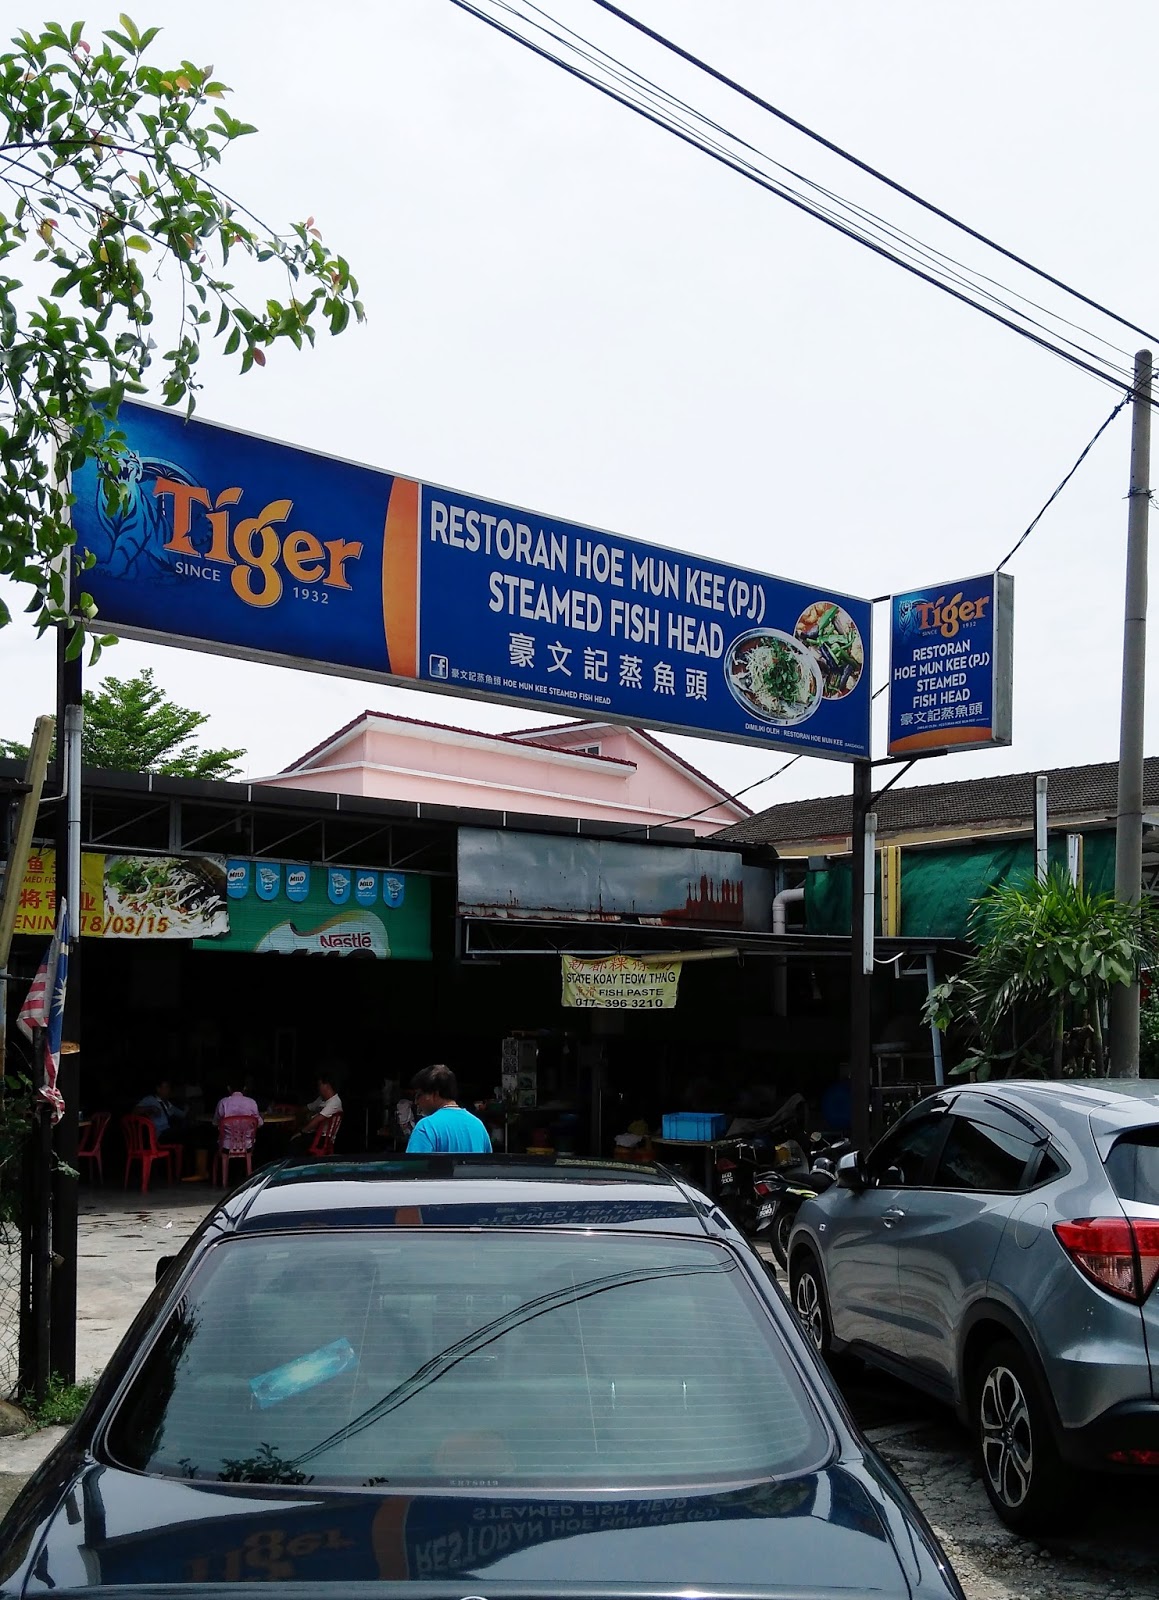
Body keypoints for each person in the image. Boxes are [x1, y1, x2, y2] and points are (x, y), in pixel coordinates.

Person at [406, 1065, 492, 1154]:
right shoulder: (478, 1126)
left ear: (435, 1093)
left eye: (419, 1095)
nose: (416, 1102)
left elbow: (413, 1166)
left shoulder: (426, 1127)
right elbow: (488, 1166)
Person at [291, 1075, 343, 1150]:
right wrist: (294, 1111)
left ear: (326, 1086)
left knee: (295, 1142)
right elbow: (308, 1107)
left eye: (320, 1085)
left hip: (323, 1138)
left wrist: (301, 1132)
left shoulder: (334, 1102)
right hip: (314, 1133)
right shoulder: (321, 1099)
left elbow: (318, 1119)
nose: (318, 1088)